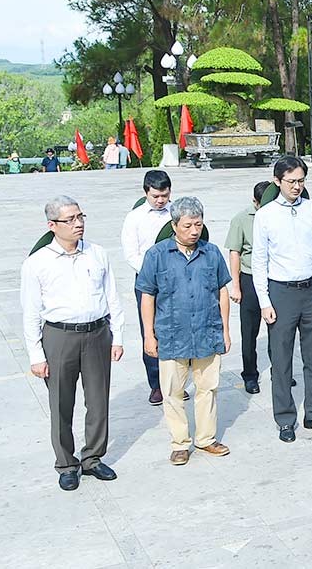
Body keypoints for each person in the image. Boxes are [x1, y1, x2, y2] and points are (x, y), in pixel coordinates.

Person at [21, 196, 124, 491]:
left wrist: (116, 336)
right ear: (52, 225)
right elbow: (30, 312)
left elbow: (112, 297)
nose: (78, 223)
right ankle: (66, 464)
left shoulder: (97, 254)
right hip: (59, 337)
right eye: (70, 219)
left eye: (81, 217)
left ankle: (92, 458)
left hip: (96, 334)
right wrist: (36, 355)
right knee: (61, 404)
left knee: (98, 400)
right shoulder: (37, 263)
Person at [137, 197, 232, 465]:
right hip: (171, 334)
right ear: (174, 224)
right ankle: (180, 443)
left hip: (207, 331)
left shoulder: (211, 252)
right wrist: (148, 335)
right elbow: (147, 296)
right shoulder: (156, 255)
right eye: (188, 225)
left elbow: (221, 291)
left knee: (208, 389)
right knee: (173, 393)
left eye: (198, 224)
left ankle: (206, 439)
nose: (194, 231)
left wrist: (225, 329)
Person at [253, 156, 312, 442]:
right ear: (277, 181)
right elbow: (260, 260)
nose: (297, 186)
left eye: (301, 181)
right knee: (282, 358)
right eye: (291, 181)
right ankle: (285, 419)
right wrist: (264, 301)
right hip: (281, 292)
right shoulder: (266, 215)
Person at [120, 169, 173, 404]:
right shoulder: (134, 218)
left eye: (165, 195)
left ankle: (175, 381)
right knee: (150, 331)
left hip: (176, 280)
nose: (161, 201)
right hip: (148, 282)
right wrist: (153, 273)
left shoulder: (176, 213)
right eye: (156, 196)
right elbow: (131, 254)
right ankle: (156, 384)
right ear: (146, 193)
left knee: (175, 329)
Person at [226, 181, 270, 394]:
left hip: (275, 278)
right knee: (250, 330)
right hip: (250, 278)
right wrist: (236, 285)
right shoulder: (241, 219)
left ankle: (281, 372)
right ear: (255, 202)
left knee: (279, 330)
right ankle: (250, 375)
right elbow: (234, 252)